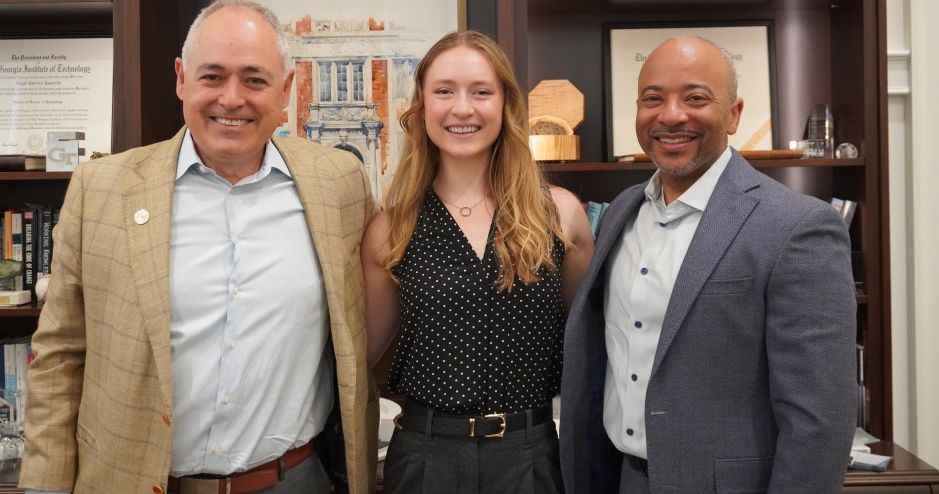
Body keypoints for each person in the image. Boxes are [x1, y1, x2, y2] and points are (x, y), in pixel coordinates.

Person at [19, 0, 378, 494]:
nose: (232, 99)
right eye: (212, 76)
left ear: (286, 90)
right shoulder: (101, 189)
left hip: (292, 480)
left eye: (255, 79)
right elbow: (60, 355)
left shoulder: (339, 183)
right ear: (181, 79)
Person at [559, 35, 857, 494]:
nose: (671, 115)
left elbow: (819, 419)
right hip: (619, 479)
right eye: (652, 99)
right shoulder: (621, 209)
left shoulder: (798, 226)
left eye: (696, 98)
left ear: (734, 113)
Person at [362, 30, 594, 493]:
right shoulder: (392, 230)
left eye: (481, 92)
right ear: (422, 106)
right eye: (444, 91)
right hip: (426, 456)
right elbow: (364, 358)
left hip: (530, 454)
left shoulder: (560, 215)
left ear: (505, 105)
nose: (462, 108)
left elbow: (588, 345)